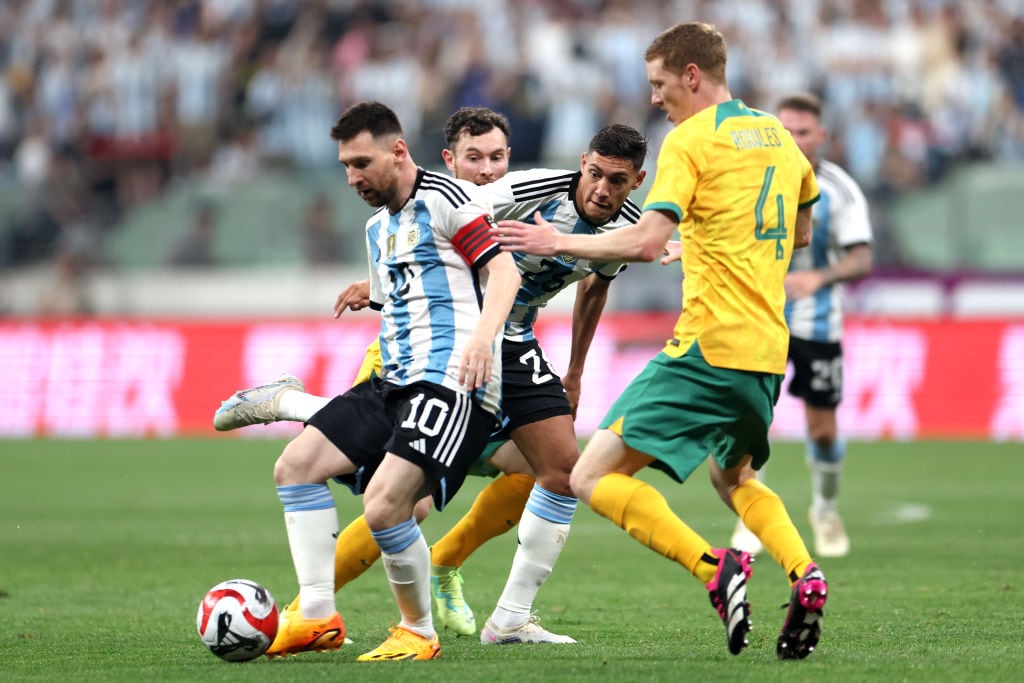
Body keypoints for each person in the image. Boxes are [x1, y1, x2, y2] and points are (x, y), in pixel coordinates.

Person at [215, 113, 648, 646]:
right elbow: (428, 221)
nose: (487, 172)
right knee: (401, 500)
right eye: (474, 159)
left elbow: (595, 286)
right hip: (438, 342)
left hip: (505, 341)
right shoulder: (506, 192)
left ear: (636, 182)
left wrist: (576, 369)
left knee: (558, 471)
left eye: (497, 158)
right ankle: (315, 602)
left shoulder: (628, 223)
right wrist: (379, 284)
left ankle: (502, 613)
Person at [492, 22, 829, 660]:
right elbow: (804, 231)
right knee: (735, 477)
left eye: (659, 82)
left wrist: (557, 240)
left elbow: (645, 242)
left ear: (692, 76)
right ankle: (804, 573)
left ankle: (715, 568)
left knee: (589, 474)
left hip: (707, 344)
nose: (655, 97)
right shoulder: (780, 137)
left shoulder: (689, 140)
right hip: (765, 350)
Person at [260, 100, 520, 662]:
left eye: (361, 163)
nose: (352, 178)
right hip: (393, 381)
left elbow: (503, 270)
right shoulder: (379, 227)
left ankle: (418, 632)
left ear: (398, 150)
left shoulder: (448, 201)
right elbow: (408, 289)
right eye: (346, 167)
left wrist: (481, 339)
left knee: (385, 507)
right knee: (295, 467)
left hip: (451, 383)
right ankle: (314, 614)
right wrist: (371, 292)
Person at [731, 93, 873, 559]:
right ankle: (751, 518)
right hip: (758, 316)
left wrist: (819, 276)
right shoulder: (752, 178)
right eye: (784, 130)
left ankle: (825, 510)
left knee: (823, 430)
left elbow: (861, 257)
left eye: (803, 131)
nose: (793, 139)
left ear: (821, 136)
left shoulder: (840, 190)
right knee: (751, 421)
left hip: (817, 322)